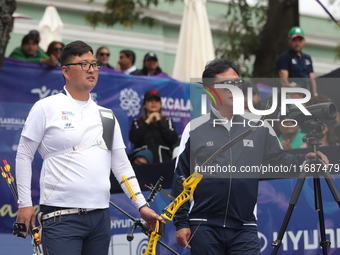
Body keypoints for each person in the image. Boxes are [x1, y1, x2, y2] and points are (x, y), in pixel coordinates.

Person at [15, 40, 161, 255]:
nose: (91, 69)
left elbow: (121, 165)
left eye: (94, 64)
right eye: (84, 64)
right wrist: (25, 204)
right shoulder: (46, 107)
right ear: (66, 70)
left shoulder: (107, 116)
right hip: (60, 216)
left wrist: (141, 205)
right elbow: (24, 155)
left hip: (100, 218)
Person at [172, 59, 329, 255]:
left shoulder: (260, 126)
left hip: (244, 227)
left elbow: (279, 160)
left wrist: (304, 160)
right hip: (204, 226)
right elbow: (181, 177)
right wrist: (181, 222)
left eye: (237, 84)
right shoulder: (194, 128)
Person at [129, 89, 179, 163]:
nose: (153, 102)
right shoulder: (137, 121)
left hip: (164, 163)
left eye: (156, 100)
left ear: (160, 104)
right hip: (143, 164)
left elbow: (173, 139)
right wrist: (147, 121)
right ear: (144, 105)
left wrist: (159, 121)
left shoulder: (167, 121)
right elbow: (134, 138)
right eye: (150, 100)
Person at [276, 26, 318, 96]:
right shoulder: (284, 57)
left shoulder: (307, 58)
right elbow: (283, 80)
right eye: (294, 40)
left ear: (303, 41)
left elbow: (312, 79)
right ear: (289, 41)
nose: (297, 43)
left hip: (307, 95)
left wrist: (315, 94)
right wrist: (292, 95)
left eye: (299, 40)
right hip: (293, 96)